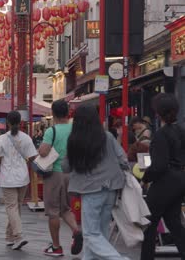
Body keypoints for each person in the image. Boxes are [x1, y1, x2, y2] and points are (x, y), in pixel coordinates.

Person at [63, 105, 127, 260]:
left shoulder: (75, 140)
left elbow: (66, 167)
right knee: (101, 230)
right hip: (111, 187)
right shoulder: (107, 136)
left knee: (91, 233)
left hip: (90, 189)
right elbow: (123, 159)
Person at [141, 94, 185, 260]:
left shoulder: (161, 135)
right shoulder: (181, 131)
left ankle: (146, 257)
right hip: (180, 179)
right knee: (173, 221)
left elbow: (159, 165)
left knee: (148, 222)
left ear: (158, 113)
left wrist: (145, 178)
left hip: (165, 181)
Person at [38, 99, 82, 256]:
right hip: (71, 173)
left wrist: (41, 149)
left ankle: (56, 247)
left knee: (53, 211)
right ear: (67, 112)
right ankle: (76, 231)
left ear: (53, 113)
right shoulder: (75, 129)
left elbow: (43, 152)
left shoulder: (52, 131)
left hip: (54, 174)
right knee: (65, 208)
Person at [0, 111, 38, 250]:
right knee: (16, 208)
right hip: (23, 177)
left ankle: (18, 236)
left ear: (7, 122)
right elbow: (33, 158)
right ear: (20, 122)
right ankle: (9, 236)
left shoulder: (1, 139)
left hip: (7, 178)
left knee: (12, 208)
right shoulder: (26, 138)